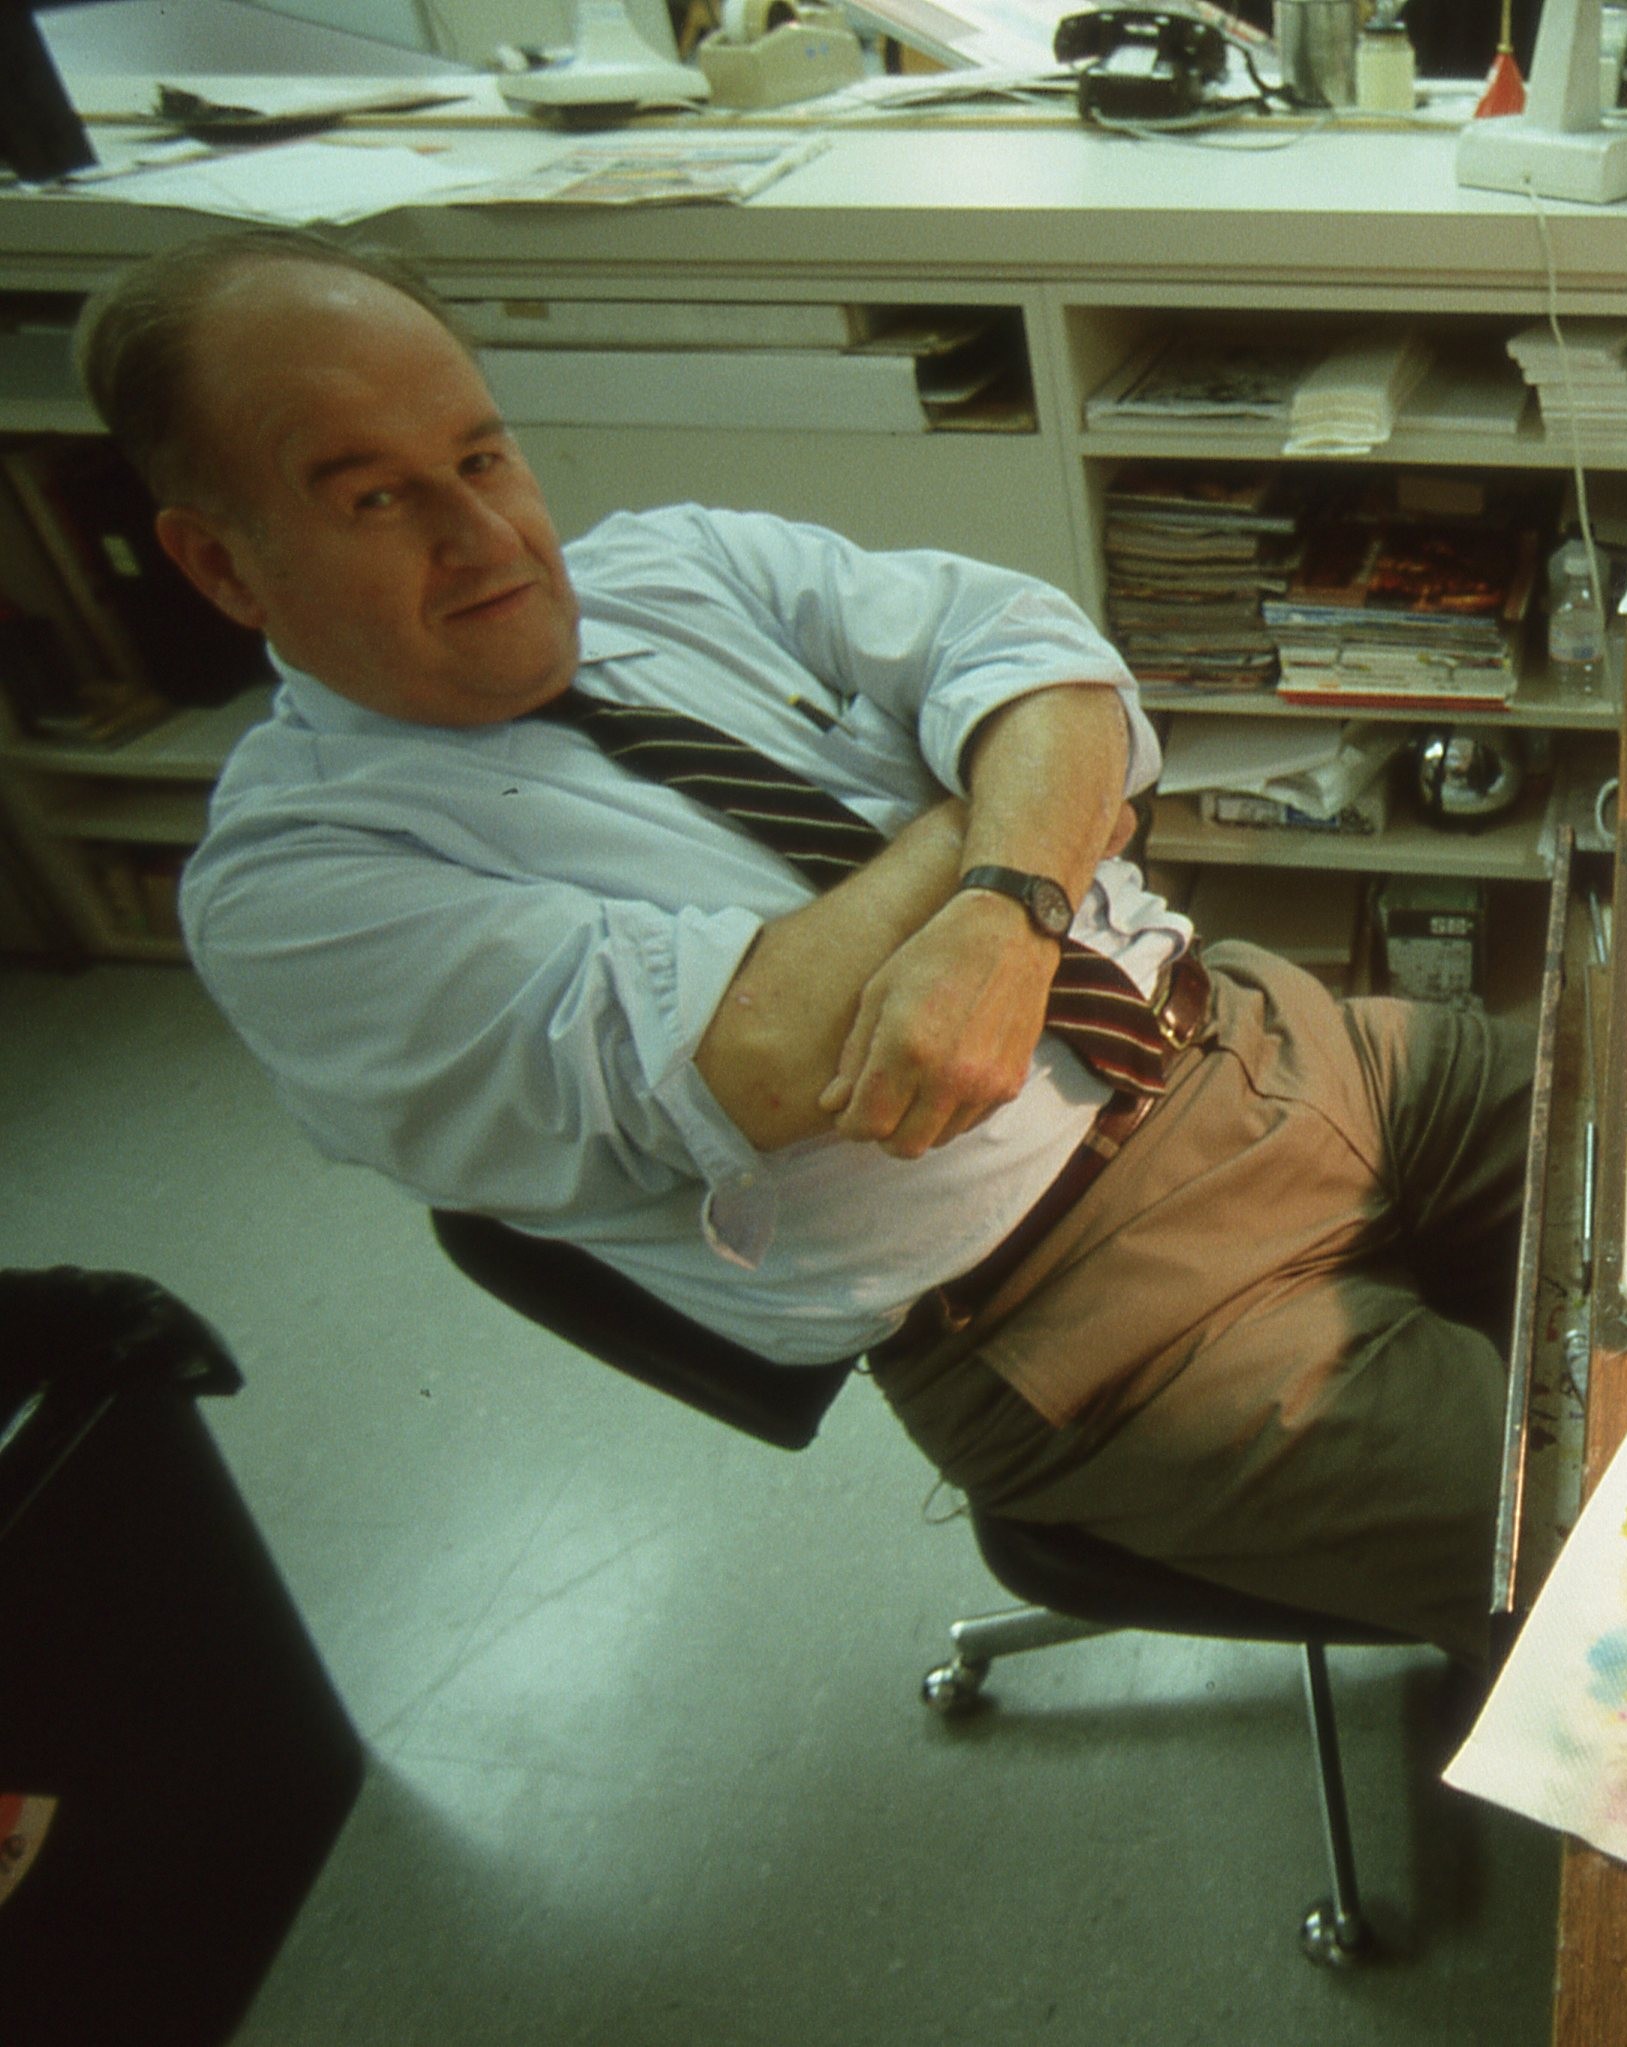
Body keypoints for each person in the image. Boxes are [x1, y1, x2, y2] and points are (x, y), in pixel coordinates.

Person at [83, 229, 1528, 1660]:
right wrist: (1013, 811)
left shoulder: (683, 562)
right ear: (222, 566)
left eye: (478, 457)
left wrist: (996, 905)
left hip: (1291, 1047)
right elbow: (765, 1053)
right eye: (375, 499)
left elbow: (1057, 667)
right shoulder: (297, 889)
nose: (487, 540)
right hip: (1106, 1315)